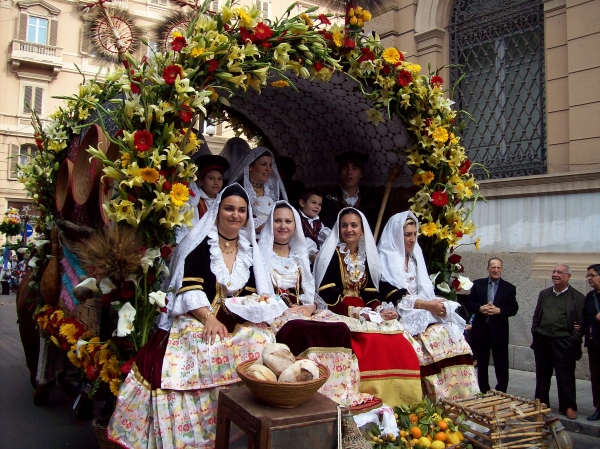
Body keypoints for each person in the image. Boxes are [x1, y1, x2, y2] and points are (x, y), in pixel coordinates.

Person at [108, 184, 279, 448]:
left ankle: (242, 427)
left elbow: (253, 293)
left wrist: (256, 310)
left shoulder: (249, 249)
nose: (235, 215)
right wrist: (209, 317)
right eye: (230, 208)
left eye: (242, 210)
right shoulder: (201, 244)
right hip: (197, 314)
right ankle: (196, 430)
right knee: (204, 344)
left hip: (235, 320)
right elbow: (189, 286)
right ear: (218, 210)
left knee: (261, 341)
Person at [259, 202, 369, 407]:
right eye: (278, 221)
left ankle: (339, 393)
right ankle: (311, 396)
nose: (283, 226)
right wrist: (282, 309)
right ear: (270, 224)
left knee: (340, 328)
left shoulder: (299, 254)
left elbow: (310, 292)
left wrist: (311, 307)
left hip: (304, 311)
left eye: (288, 221)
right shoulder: (260, 255)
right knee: (301, 329)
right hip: (276, 313)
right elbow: (261, 293)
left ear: (295, 226)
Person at [313, 207, 422, 407]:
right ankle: (365, 392)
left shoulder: (367, 258)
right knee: (367, 340)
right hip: (338, 309)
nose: (349, 230)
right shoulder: (332, 255)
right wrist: (357, 312)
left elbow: (371, 290)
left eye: (354, 225)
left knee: (396, 335)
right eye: (344, 225)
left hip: (365, 310)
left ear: (362, 230)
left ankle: (400, 399)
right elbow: (327, 292)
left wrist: (380, 309)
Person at [377, 212, 479, 401]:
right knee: (429, 344)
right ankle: (437, 399)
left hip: (422, 310)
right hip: (397, 313)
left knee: (455, 338)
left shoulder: (415, 258)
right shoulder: (383, 259)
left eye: (415, 234)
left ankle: (462, 400)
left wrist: (437, 304)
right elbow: (391, 295)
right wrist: (427, 305)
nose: (412, 239)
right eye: (407, 234)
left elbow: (425, 291)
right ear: (395, 235)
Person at [531, 264, 585, 420]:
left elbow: (580, 323)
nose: (555, 274)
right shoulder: (544, 294)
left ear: (568, 277)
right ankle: (541, 403)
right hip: (543, 340)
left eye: (559, 272)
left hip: (564, 342)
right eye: (554, 272)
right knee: (542, 375)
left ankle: (568, 406)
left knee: (565, 375)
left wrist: (573, 338)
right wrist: (535, 330)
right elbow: (537, 315)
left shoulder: (577, 297)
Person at [466, 258, 518, 393]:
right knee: (482, 362)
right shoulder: (477, 285)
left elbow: (513, 308)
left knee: (501, 362)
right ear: (488, 268)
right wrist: (480, 308)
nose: (496, 270)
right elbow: (469, 303)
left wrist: (499, 310)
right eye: (493, 267)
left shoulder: (509, 288)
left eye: (498, 268)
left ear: (502, 269)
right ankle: (483, 389)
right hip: (481, 329)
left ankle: (501, 390)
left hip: (499, 330)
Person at [227, 147, 287, 233]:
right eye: (263, 164)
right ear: (250, 167)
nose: (268, 169)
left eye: (270, 165)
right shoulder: (238, 189)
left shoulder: (274, 190)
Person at [176, 154, 229, 243]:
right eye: (211, 178)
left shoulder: (224, 200)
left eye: (219, 179)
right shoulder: (194, 202)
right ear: (201, 181)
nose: (216, 182)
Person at [321, 151, 378, 229]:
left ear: (361, 174)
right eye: (345, 168)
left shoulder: (369, 202)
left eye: (354, 168)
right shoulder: (329, 198)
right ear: (340, 172)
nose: (349, 172)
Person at [583, 264, 600, 421]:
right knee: (596, 376)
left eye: (591, 275)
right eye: (587, 276)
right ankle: (598, 407)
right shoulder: (590, 297)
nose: (589, 279)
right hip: (594, 344)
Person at [297, 189, 331, 261]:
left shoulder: (317, 221)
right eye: (313, 203)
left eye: (319, 204)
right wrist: (313, 254)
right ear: (302, 203)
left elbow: (324, 233)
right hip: (303, 257)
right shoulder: (296, 219)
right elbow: (300, 240)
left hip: (316, 255)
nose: (317, 207)